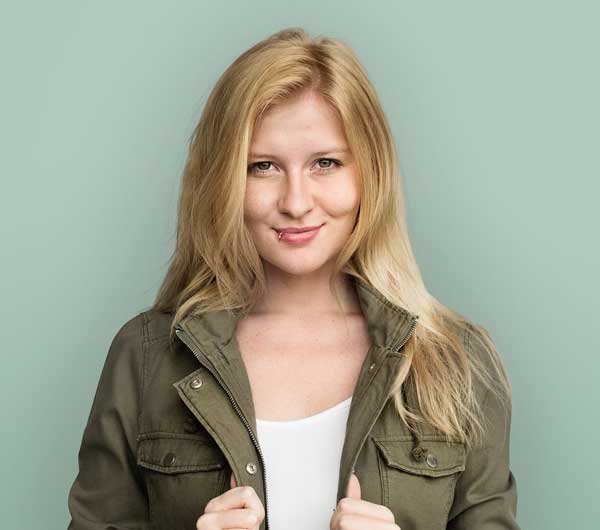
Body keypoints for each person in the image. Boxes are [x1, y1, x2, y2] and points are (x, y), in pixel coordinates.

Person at [66, 27, 521, 530]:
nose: (296, 202)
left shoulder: (458, 363)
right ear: (223, 180)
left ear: (370, 172)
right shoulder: (145, 356)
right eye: (263, 167)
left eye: (326, 163)